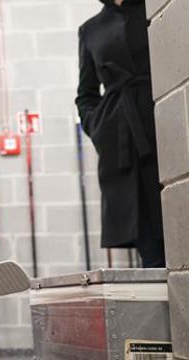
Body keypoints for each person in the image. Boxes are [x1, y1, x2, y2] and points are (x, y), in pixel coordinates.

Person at [76, 0, 165, 267]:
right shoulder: (91, 29)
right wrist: (98, 127)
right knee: (150, 245)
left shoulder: (155, 8)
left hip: (164, 126)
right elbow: (86, 95)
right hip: (121, 144)